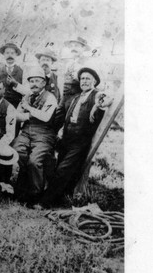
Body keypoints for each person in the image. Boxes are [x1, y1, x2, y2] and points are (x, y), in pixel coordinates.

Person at [38, 67, 112, 208]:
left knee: (63, 170)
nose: (84, 81)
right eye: (82, 79)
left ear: (94, 81)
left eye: (87, 79)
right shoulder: (77, 97)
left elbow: (108, 99)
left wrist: (97, 106)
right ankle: (58, 199)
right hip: (67, 138)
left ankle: (44, 202)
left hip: (80, 142)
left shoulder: (96, 94)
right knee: (55, 165)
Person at [12, 66, 58, 206]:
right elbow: (16, 115)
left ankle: (36, 194)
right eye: (31, 81)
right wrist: (29, 115)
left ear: (44, 83)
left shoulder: (50, 97)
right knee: (17, 152)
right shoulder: (27, 96)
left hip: (44, 134)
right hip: (26, 131)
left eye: (37, 81)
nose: (34, 84)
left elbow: (45, 117)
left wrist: (29, 110)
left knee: (34, 161)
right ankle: (22, 189)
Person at [0, 42, 24, 108]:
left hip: (17, 106)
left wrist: (16, 84)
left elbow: (26, 91)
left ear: (16, 54)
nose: (10, 55)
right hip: (0, 105)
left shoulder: (22, 71)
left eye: (12, 53)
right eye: (7, 53)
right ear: (3, 54)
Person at [62, 37, 90, 106]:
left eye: (76, 46)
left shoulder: (87, 63)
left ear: (83, 48)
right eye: (71, 46)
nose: (73, 48)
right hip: (65, 96)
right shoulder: (69, 63)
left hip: (77, 97)